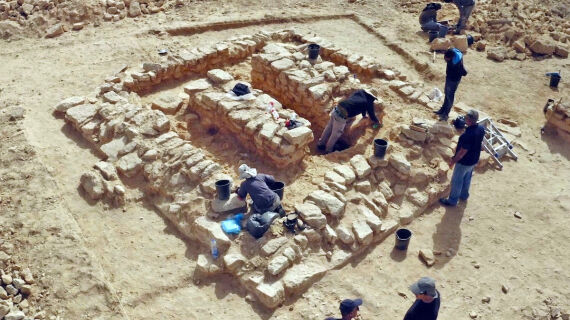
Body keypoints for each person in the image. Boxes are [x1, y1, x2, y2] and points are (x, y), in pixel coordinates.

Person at [439, 109, 485, 207]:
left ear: (469, 120)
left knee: (457, 181)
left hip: (464, 162)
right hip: (474, 160)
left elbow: (462, 153)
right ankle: (464, 196)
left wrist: (453, 162)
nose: (464, 119)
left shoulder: (467, 135)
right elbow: (480, 144)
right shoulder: (481, 128)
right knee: (467, 178)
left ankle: (452, 201)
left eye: (466, 118)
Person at [317, 89, 381, 154]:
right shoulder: (369, 102)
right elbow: (372, 115)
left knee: (328, 128)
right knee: (335, 134)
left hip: (336, 109)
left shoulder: (360, 92)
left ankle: (320, 144)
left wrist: (364, 115)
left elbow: (357, 102)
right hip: (341, 116)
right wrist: (377, 121)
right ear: (372, 97)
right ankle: (328, 150)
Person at [434, 48, 467, 121]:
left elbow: (460, 73)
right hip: (449, 77)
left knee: (450, 96)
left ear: (451, 58)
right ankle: (442, 110)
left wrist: (450, 77)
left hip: (453, 80)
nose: (445, 60)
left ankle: (445, 114)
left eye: (446, 59)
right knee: (446, 93)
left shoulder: (455, 64)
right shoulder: (453, 52)